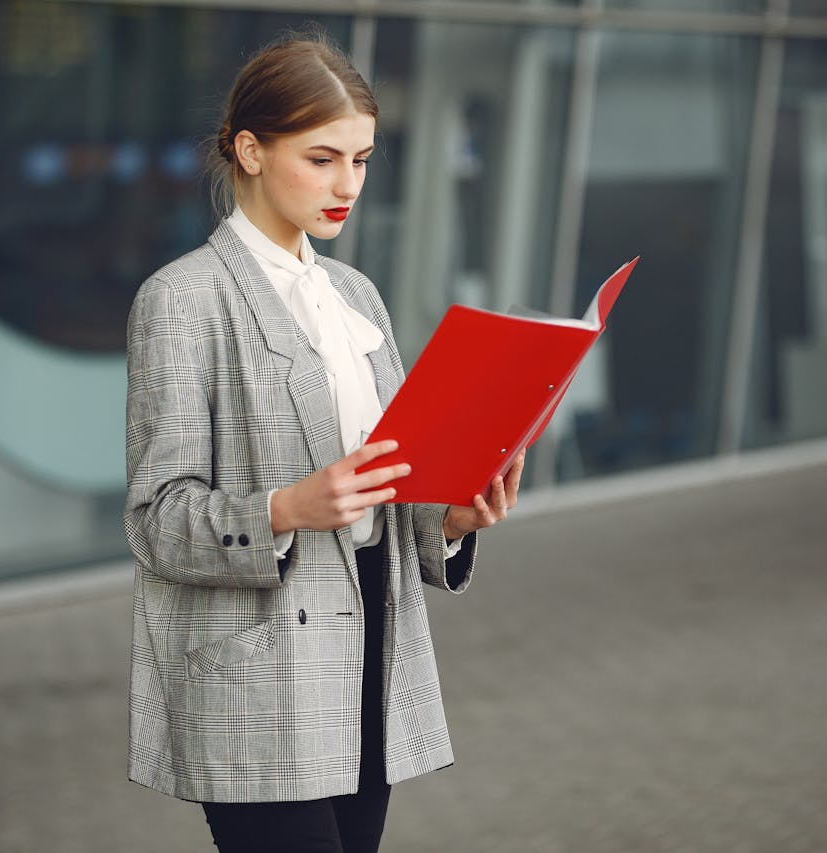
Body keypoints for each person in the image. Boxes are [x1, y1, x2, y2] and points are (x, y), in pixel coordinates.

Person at [123, 31, 524, 853]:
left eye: (364, 160)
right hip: (261, 674)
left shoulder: (356, 296)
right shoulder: (182, 300)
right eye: (323, 158)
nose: (350, 185)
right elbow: (155, 519)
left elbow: (390, 483)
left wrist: (448, 520)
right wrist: (286, 507)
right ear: (251, 150)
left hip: (373, 649)